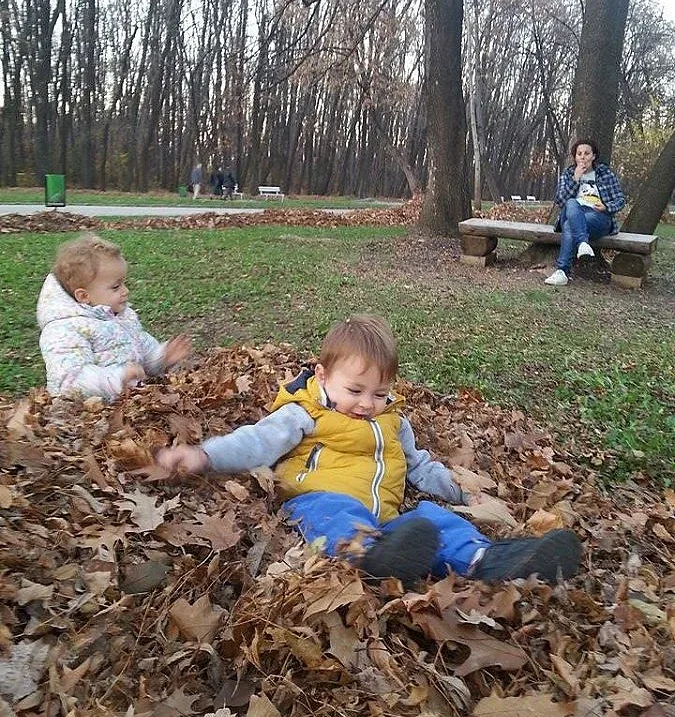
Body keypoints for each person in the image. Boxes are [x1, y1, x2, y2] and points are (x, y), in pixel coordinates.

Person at [156, 314, 581, 588]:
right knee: (338, 514)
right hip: (318, 499)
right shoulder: (305, 413)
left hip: (390, 522)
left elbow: (420, 467)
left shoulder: (393, 421)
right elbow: (257, 441)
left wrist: (464, 493)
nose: (366, 403)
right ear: (322, 376)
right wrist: (205, 455)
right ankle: (366, 556)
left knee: (433, 519)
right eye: (355, 390)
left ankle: (493, 558)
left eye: (380, 392)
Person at [37, 235, 191, 402]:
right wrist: (116, 379)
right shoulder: (64, 330)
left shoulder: (120, 318)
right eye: (116, 287)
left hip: (128, 404)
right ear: (83, 295)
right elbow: (69, 382)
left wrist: (161, 357)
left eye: (124, 283)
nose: (125, 291)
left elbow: (142, 350)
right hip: (89, 417)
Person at [545, 138, 625, 287]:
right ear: (575, 157)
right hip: (572, 211)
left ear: (593, 156)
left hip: (598, 216)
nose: (582, 157)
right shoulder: (569, 174)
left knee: (570, 226)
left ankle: (562, 272)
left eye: (587, 153)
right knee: (570, 203)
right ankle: (582, 242)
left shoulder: (605, 173)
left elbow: (620, 199)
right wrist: (576, 178)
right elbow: (560, 200)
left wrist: (607, 207)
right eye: (579, 153)